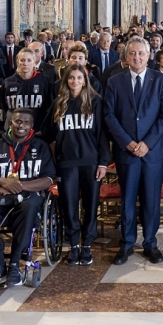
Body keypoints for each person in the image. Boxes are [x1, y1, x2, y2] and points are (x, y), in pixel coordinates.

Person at [104, 37, 163, 264]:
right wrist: (128, 143)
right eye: (132, 54)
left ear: (148, 55)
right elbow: (109, 115)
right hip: (127, 151)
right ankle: (126, 244)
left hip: (152, 151)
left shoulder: (161, 80)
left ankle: (150, 243)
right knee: (128, 199)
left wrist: (147, 143)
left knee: (151, 200)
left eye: (141, 53)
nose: (137, 57)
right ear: (126, 57)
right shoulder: (115, 81)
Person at [0, 108, 56, 289]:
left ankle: (14, 265)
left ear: (32, 126)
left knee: (30, 208)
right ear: (10, 123)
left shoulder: (41, 147)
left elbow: (48, 179)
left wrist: (19, 186)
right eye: (18, 121)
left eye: (26, 123)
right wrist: (2, 182)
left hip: (27, 198)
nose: (22, 126)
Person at [53, 65, 109, 267]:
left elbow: (102, 133)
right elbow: (48, 131)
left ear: (85, 80)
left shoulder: (95, 102)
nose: (74, 81)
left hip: (90, 161)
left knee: (91, 204)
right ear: (66, 80)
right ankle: (73, 245)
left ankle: (87, 244)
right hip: (67, 162)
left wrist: (103, 161)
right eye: (71, 78)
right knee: (69, 205)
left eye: (78, 78)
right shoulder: (59, 103)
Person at [3, 48, 55, 138]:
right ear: (17, 62)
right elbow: (4, 107)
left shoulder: (44, 81)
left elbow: (49, 107)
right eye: (22, 60)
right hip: (13, 132)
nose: (25, 63)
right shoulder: (8, 82)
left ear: (34, 62)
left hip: (37, 131)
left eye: (29, 60)